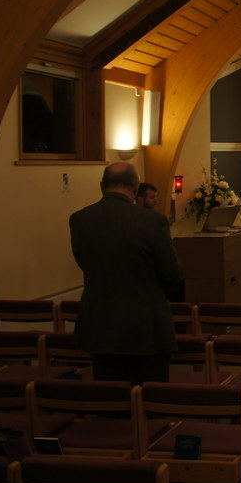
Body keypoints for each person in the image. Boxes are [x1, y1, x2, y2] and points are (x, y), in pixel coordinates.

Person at [69, 162, 184, 384]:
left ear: (102, 186)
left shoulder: (80, 220)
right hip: (146, 326)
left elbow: (84, 263)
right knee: (149, 398)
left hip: (100, 323)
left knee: (110, 398)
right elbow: (172, 273)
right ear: (136, 186)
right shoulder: (153, 221)